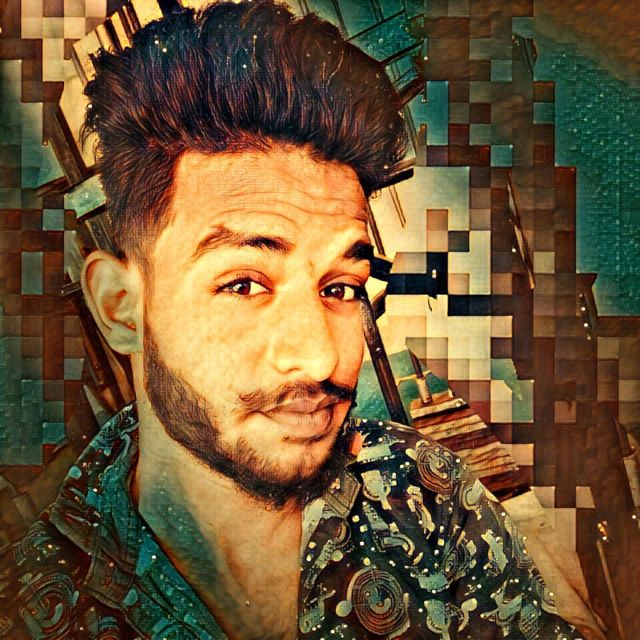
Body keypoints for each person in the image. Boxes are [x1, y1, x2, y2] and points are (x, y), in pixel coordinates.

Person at [0, 2, 586, 638]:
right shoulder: (33, 608)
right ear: (121, 307)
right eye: (245, 283)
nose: (321, 356)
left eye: (340, 287)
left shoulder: (422, 492)